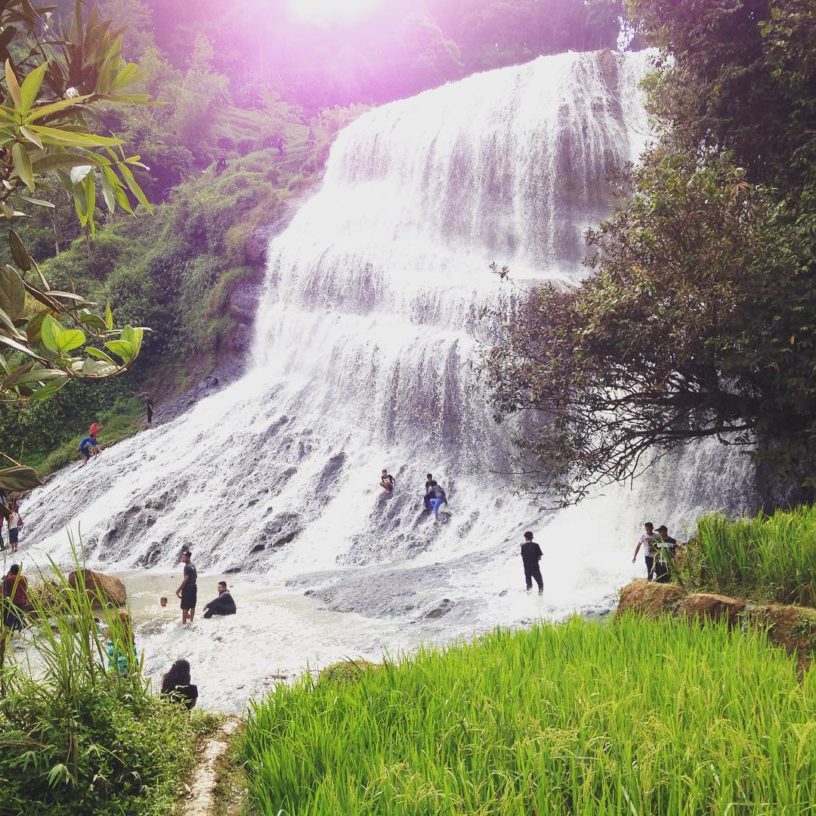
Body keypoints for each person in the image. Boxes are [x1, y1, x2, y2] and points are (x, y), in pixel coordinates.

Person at [106, 609, 137, 675]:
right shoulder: (112, 640)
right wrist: (111, 673)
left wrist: (137, 671)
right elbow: (112, 659)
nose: (124, 624)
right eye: (122, 621)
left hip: (130, 670)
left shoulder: (130, 636)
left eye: (126, 621)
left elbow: (134, 656)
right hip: (118, 672)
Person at [2, 564, 30, 631]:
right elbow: (25, 590)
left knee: (8, 621)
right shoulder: (24, 578)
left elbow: (6, 592)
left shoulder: (9, 579)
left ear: (11, 571)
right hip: (23, 603)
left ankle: (9, 634)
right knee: (20, 619)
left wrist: (5, 579)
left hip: (13, 604)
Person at [176, 550, 197, 624]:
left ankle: (184, 624)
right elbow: (195, 577)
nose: (182, 558)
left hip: (188, 588)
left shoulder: (187, 567)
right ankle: (191, 621)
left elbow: (186, 579)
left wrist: (179, 590)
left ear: (188, 558)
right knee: (192, 606)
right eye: (182, 557)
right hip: (194, 587)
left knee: (185, 607)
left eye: (184, 557)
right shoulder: (193, 566)